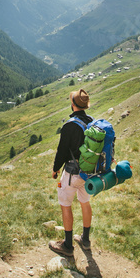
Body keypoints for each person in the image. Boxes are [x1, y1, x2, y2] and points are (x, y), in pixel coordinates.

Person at [49, 88, 93, 257]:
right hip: (88, 173)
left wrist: (55, 169)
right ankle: (85, 240)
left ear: (73, 105)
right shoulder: (91, 122)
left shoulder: (70, 126)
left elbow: (62, 151)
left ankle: (67, 245)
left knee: (65, 204)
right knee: (85, 202)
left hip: (72, 173)